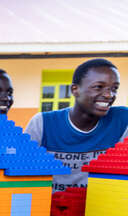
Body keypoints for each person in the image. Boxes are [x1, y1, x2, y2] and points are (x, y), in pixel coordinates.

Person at [25, 58, 128, 192]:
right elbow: (22, 173)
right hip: (50, 207)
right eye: (98, 87)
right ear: (75, 90)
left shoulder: (121, 120)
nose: (109, 95)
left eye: (114, 88)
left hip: (99, 208)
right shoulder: (43, 123)